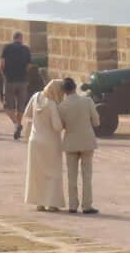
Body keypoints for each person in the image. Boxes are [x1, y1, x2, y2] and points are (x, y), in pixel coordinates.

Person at [22, 80, 67, 212]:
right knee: (53, 172)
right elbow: (57, 126)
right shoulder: (52, 104)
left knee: (37, 172)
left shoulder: (36, 96)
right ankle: (52, 202)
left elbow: (27, 114)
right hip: (50, 142)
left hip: (34, 140)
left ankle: (39, 202)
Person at [58, 77, 101, 214]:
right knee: (87, 176)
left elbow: (61, 126)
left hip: (70, 141)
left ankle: (72, 205)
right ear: (75, 87)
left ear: (64, 91)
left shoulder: (62, 106)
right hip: (87, 141)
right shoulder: (87, 101)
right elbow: (96, 122)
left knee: (71, 176)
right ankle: (87, 205)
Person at [0, 31, 33, 140]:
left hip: (10, 80)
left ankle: (17, 125)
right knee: (20, 106)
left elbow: (2, 64)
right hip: (23, 80)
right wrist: (24, 73)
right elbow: (29, 66)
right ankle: (17, 126)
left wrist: (4, 74)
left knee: (7, 107)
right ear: (21, 38)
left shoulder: (6, 48)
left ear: (13, 38)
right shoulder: (26, 49)